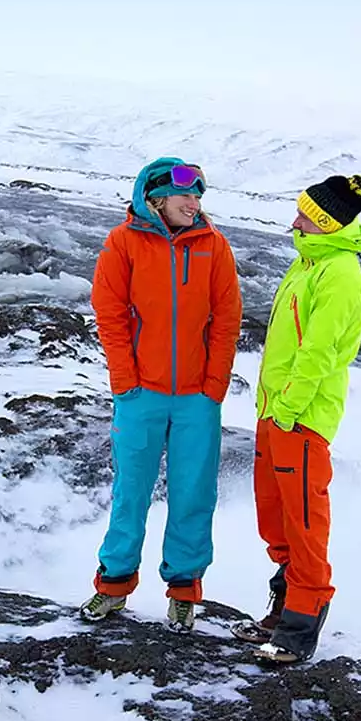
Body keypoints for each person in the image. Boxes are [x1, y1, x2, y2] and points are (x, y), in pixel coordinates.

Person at [81, 157, 242, 630]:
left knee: (193, 494)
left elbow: (227, 319)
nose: (194, 204)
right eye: (185, 196)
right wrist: (125, 381)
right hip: (141, 395)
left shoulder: (214, 246)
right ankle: (112, 587)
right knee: (130, 492)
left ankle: (183, 592)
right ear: (155, 198)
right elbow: (108, 313)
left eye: (198, 197)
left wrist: (213, 385)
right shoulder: (122, 242)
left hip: (197, 399)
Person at [231, 175, 361, 664]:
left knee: (305, 522)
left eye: (307, 215)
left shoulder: (340, 274)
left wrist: (289, 409)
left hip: (302, 418)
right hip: (276, 413)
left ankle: (299, 629)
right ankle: (282, 606)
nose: (295, 221)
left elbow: (320, 352)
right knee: (276, 519)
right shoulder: (306, 263)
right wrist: (271, 408)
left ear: (329, 223)